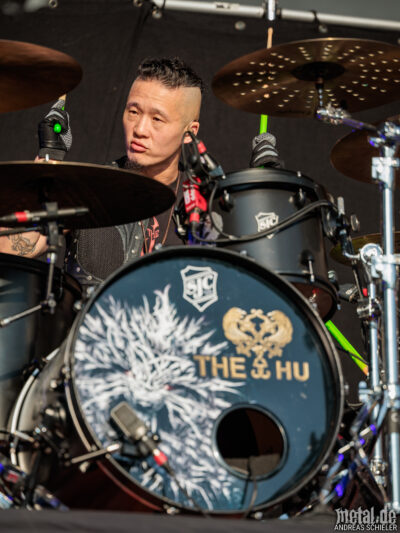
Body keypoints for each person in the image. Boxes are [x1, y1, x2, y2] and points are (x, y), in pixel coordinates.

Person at [0, 57, 204, 290]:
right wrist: (47, 160)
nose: (139, 129)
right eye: (133, 112)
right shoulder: (91, 188)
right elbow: (8, 251)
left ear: (190, 132)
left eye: (157, 119)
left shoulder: (203, 204)